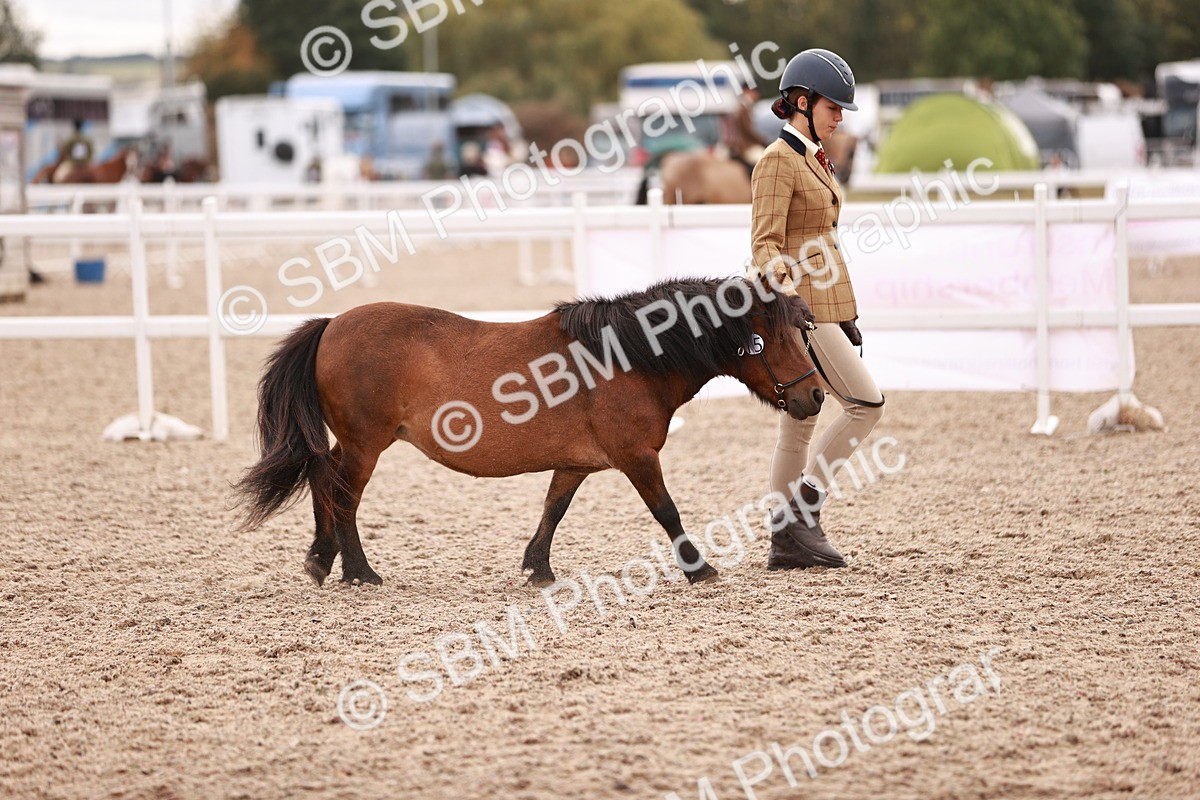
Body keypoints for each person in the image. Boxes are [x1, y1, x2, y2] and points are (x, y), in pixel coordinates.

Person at [746, 48, 885, 571]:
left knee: (800, 423)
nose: (840, 117)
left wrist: (844, 311)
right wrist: (788, 299)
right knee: (867, 404)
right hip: (800, 311)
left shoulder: (812, 155)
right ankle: (806, 506)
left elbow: (821, 237)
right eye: (833, 106)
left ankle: (786, 539)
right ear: (801, 102)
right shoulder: (777, 162)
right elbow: (766, 245)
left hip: (826, 304)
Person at [727, 83, 768, 178]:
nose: (756, 96)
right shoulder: (743, 109)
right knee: (764, 159)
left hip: (740, 143)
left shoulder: (741, 106)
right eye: (755, 93)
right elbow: (747, 131)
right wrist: (762, 140)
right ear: (747, 91)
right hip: (744, 145)